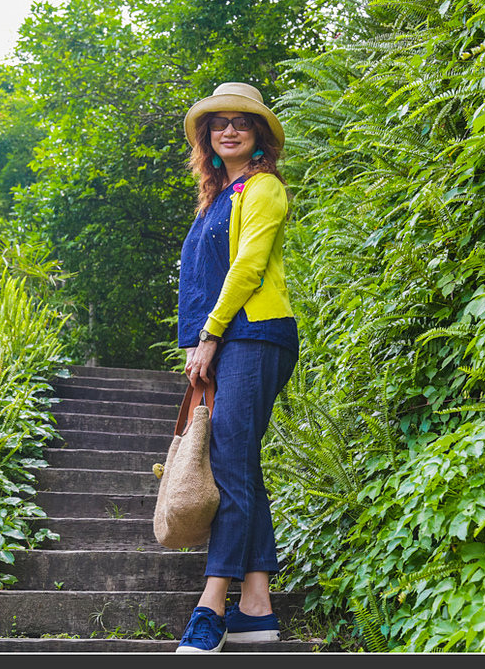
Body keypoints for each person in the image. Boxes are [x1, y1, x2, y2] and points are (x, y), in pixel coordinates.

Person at [174, 82, 299, 653]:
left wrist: (209, 336)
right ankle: (256, 606)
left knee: (228, 465)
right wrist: (206, 342)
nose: (229, 129)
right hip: (228, 339)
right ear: (208, 136)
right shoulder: (216, 197)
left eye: (241, 123)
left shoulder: (264, 187)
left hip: (253, 334)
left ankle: (210, 607)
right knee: (239, 461)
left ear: (257, 137)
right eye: (219, 123)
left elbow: (248, 268)